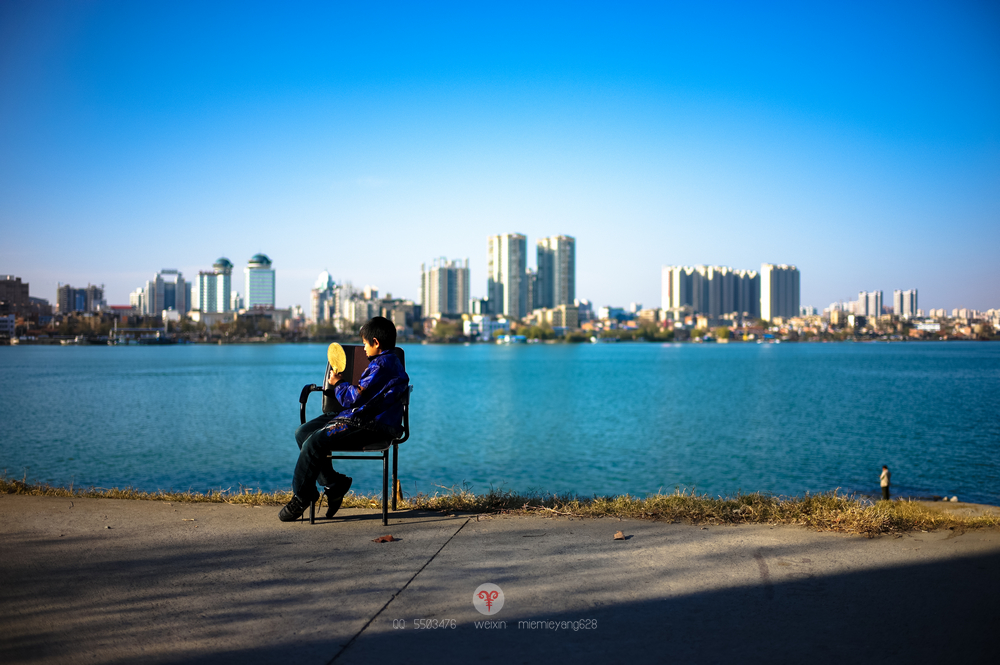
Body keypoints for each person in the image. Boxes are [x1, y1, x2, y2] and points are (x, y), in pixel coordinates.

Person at [280, 316, 409, 522]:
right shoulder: (382, 362)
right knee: (302, 433)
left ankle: (303, 496)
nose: (363, 348)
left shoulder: (383, 366)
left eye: (365, 343)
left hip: (370, 424)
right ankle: (333, 483)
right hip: (357, 417)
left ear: (376, 343)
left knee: (314, 442)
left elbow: (355, 398)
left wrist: (338, 383)